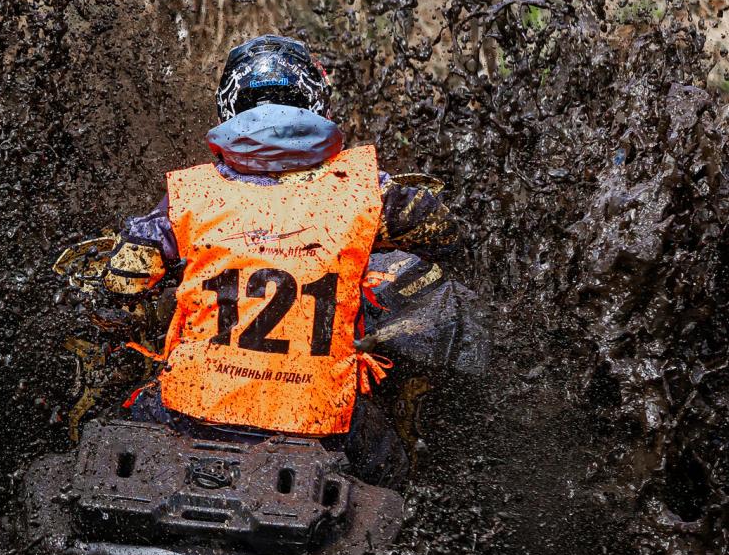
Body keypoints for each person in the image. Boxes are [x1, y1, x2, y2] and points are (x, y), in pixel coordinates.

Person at [98, 35, 466, 486]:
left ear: (227, 107)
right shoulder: (369, 191)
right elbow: (445, 236)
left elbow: (124, 279)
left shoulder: (189, 195)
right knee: (398, 474)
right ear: (317, 102)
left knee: (114, 411)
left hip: (192, 410)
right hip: (322, 419)